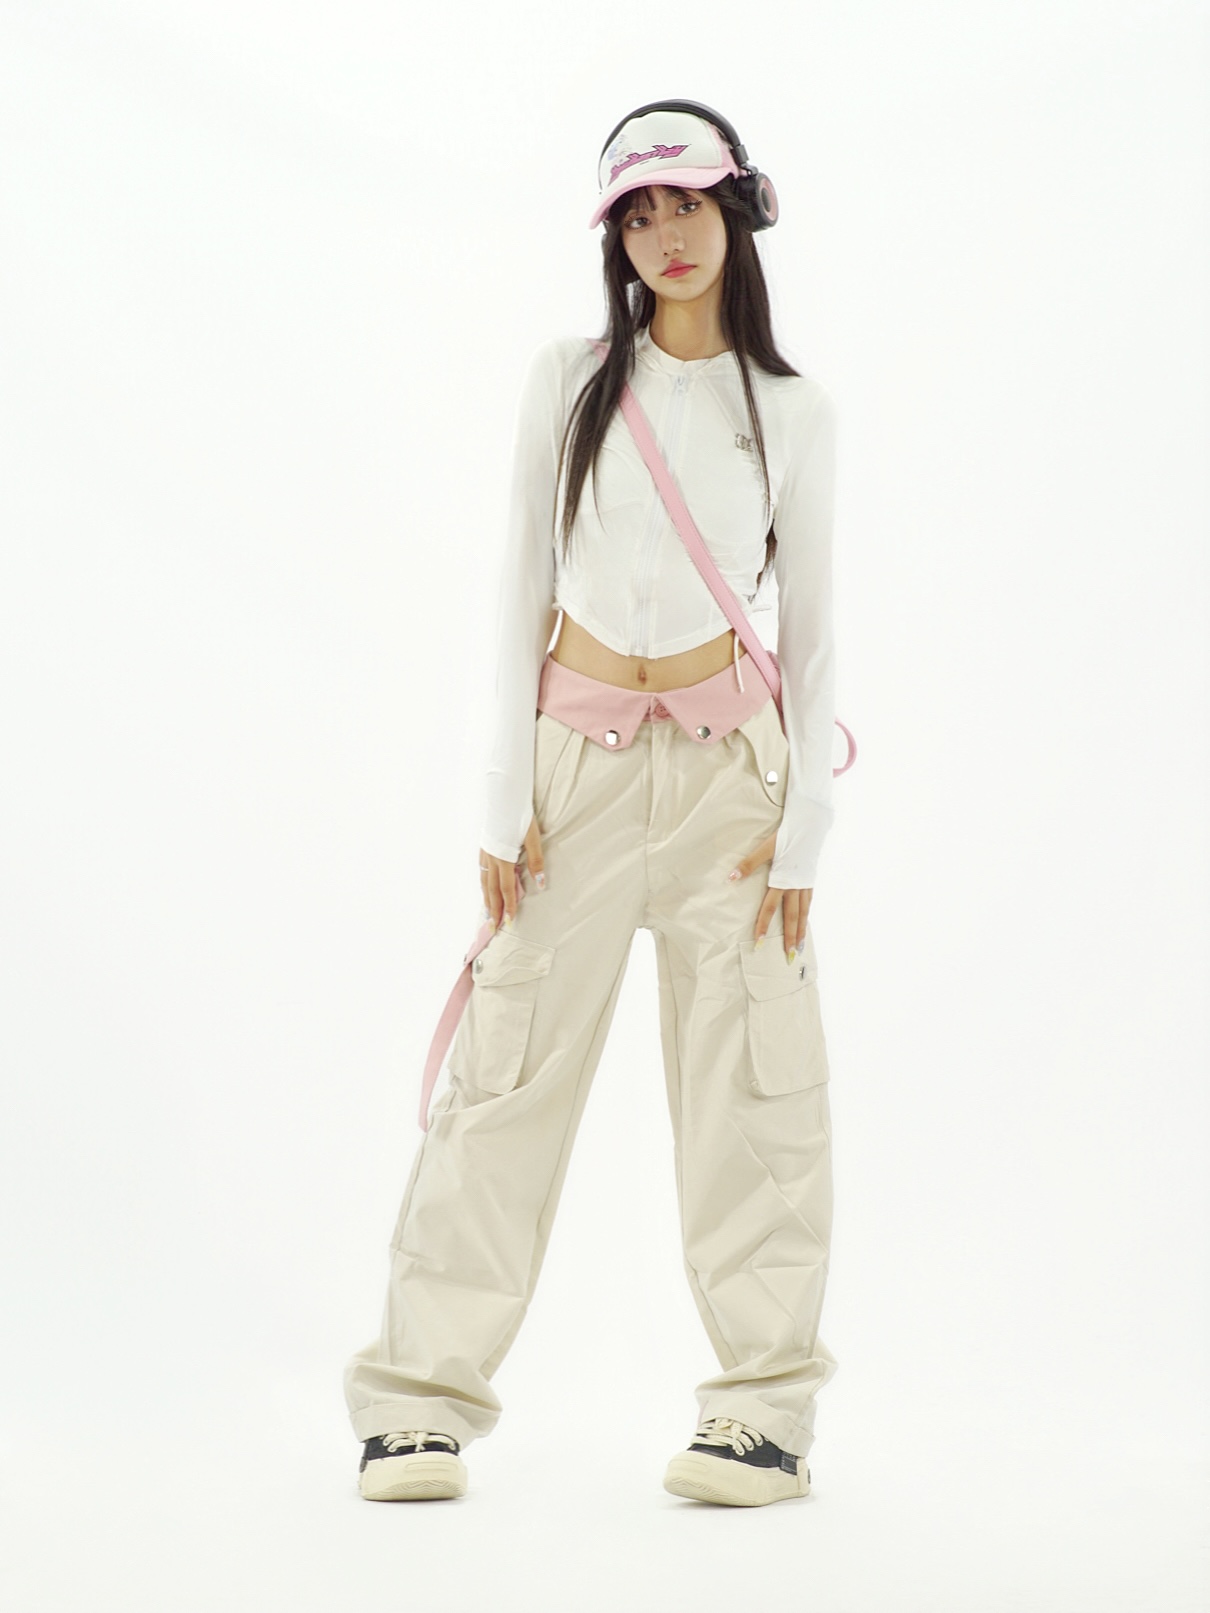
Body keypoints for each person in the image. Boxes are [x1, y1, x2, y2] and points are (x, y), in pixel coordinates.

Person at [343, 99, 842, 1509]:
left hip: (735, 791)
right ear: (615, 237)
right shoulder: (567, 382)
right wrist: (501, 803)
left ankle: (762, 1416)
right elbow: (519, 581)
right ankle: (417, 1404)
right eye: (638, 213)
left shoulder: (793, 411)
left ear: (736, 211)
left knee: (754, 1098)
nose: (665, 234)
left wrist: (806, 827)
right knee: (501, 1084)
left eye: (687, 204)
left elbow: (813, 632)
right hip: (573, 777)